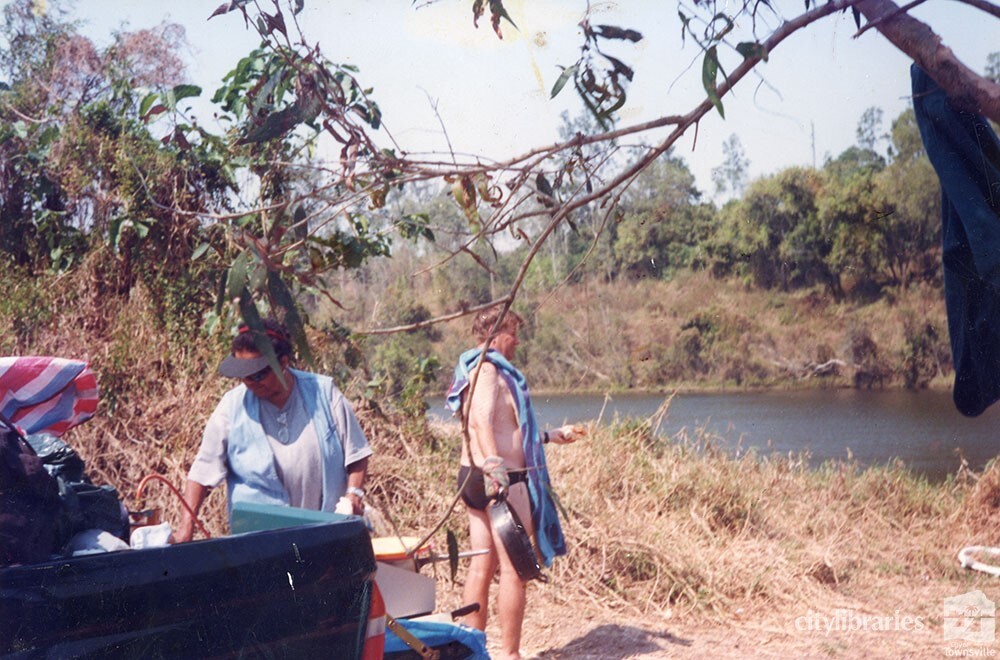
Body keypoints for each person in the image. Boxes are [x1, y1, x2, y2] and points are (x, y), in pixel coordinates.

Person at [446, 305, 580, 660]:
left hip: (475, 477)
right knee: (514, 569)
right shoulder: (488, 370)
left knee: (481, 564)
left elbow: (509, 428)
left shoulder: (473, 369)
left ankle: (471, 650)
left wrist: (552, 436)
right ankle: (510, 654)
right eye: (512, 333)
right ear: (495, 333)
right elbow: (480, 422)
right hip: (499, 480)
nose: (517, 341)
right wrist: (494, 466)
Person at [175, 319, 371, 543]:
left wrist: (353, 494)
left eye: (258, 375)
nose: (250, 383)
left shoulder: (324, 395)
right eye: (243, 376)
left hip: (325, 537)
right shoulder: (231, 407)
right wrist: (186, 527)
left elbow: (357, 453)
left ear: (283, 363)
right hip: (260, 544)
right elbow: (202, 472)